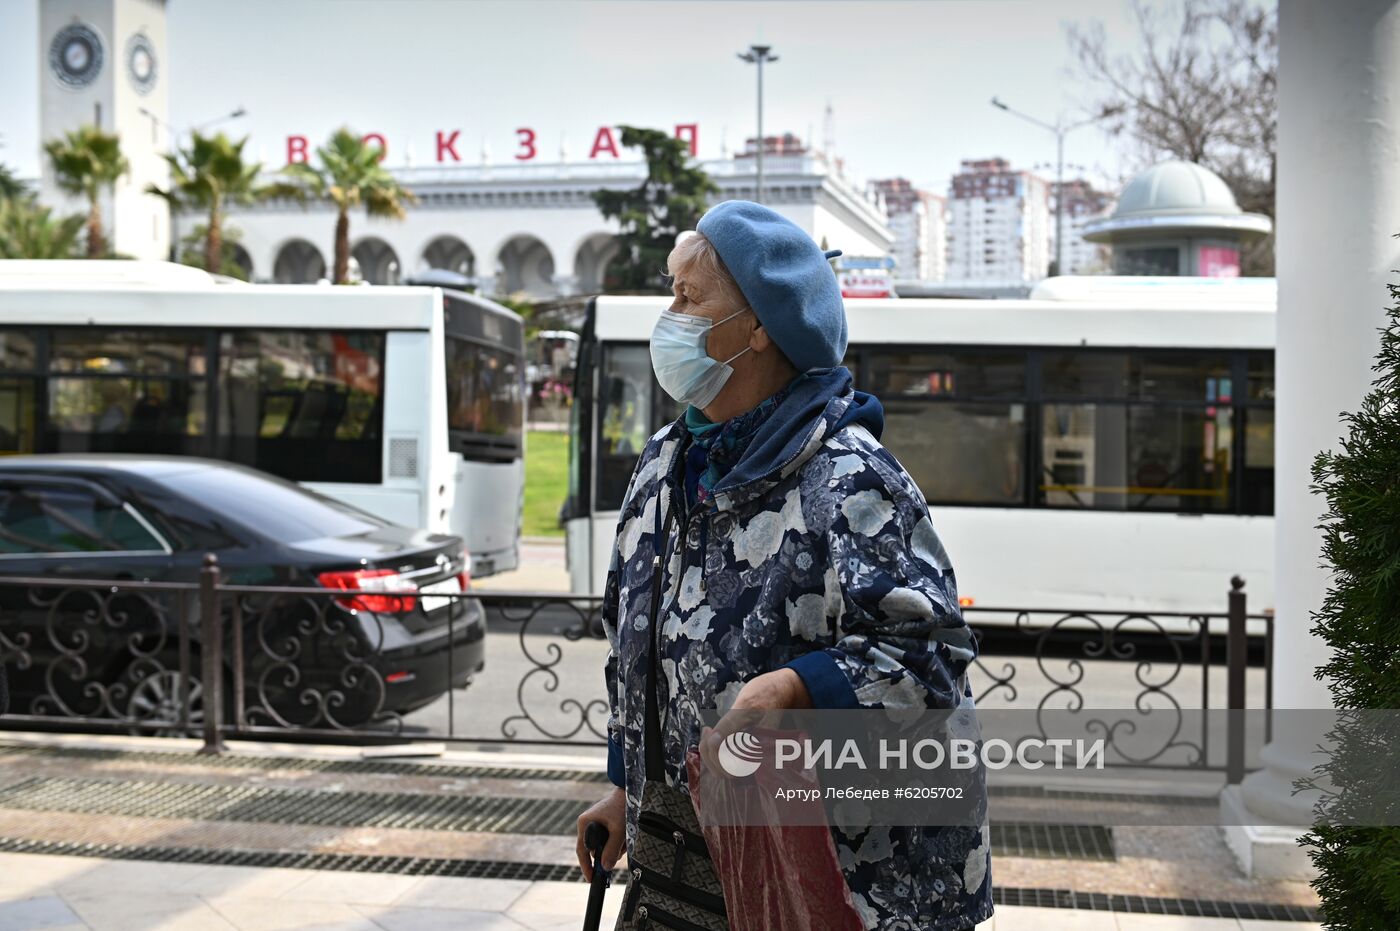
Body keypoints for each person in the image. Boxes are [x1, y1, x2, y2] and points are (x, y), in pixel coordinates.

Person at [575, 200, 992, 929]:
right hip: (681, 875)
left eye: (688, 295)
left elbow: (929, 661)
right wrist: (625, 787)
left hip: (832, 885)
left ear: (759, 328)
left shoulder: (851, 478)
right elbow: (634, 640)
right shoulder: (665, 464)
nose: (668, 314)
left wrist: (796, 687)